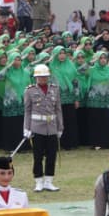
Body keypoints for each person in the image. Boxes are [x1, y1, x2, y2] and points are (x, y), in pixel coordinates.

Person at [23, 63, 63, 192]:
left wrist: (60, 127)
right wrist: (26, 128)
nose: (43, 79)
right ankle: (38, 181)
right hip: (36, 128)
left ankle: (49, 181)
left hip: (51, 127)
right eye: (40, 77)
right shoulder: (30, 91)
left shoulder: (55, 89)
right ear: (35, 78)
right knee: (38, 156)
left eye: (45, 76)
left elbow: (58, 110)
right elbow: (27, 111)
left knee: (52, 156)